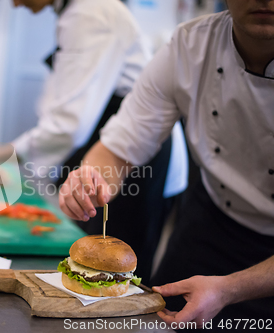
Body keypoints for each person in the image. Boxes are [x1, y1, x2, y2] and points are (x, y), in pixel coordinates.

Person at [58, 0, 274, 328]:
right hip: (210, 221)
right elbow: (119, 147)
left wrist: (229, 289)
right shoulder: (190, 45)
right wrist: (89, 180)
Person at [11, 0, 188, 281]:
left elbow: (70, 124)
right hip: (108, 153)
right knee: (91, 258)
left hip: (138, 157)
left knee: (120, 268)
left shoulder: (92, 13)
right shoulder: (76, 13)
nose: (14, 3)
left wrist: (9, 154)